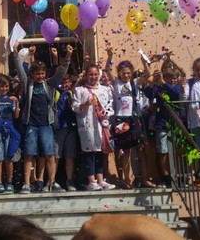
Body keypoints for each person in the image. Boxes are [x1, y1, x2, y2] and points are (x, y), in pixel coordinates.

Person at [14, 44, 74, 194]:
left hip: (46, 124)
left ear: (45, 74)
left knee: (49, 154)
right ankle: (27, 184)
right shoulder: (28, 83)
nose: (40, 76)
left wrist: (68, 55)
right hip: (31, 125)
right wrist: (17, 53)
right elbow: (20, 70)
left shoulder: (50, 84)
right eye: (37, 74)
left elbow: (61, 72)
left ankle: (52, 183)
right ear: (32, 74)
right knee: (29, 154)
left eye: (42, 73)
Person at [104, 47, 153, 189]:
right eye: (123, 73)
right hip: (121, 120)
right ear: (119, 73)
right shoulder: (117, 83)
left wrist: (144, 63)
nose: (126, 76)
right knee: (125, 151)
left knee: (140, 149)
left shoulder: (134, 83)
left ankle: (144, 178)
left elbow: (148, 75)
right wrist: (110, 56)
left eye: (128, 73)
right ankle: (126, 179)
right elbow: (107, 70)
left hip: (134, 119)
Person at [72, 63, 115, 191]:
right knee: (89, 151)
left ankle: (101, 180)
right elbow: (74, 106)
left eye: (95, 74)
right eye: (90, 74)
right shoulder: (80, 90)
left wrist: (105, 114)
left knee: (101, 151)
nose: (93, 77)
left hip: (101, 125)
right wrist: (84, 105)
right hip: (87, 125)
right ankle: (91, 180)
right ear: (86, 75)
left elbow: (110, 105)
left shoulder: (105, 89)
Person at [142, 66, 182, 188]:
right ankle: (165, 177)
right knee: (162, 150)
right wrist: (153, 80)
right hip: (161, 123)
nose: (173, 80)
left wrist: (164, 83)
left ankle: (178, 176)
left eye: (174, 78)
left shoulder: (177, 87)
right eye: (169, 78)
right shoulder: (159, 88)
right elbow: (148, 93)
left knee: (176, 151)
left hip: (174, 124)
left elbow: (175, 94)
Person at [0, 73, 20, 194]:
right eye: (2, 86)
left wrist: (17, 103)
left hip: (9, 130)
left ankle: (9, 182)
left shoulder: (11, 99)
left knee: (9, 157)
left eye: (6, 86)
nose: (4, 89)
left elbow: (16, 116)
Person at [54, 73, 79, 192]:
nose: (64, 84)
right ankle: (52, 181)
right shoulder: (56, 92)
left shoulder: (71, 93)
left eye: (67, 82)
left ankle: (70, 180)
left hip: (71, 127)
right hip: (59, 127)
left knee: (70, 155)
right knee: (56, 156)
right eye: (62, 82)